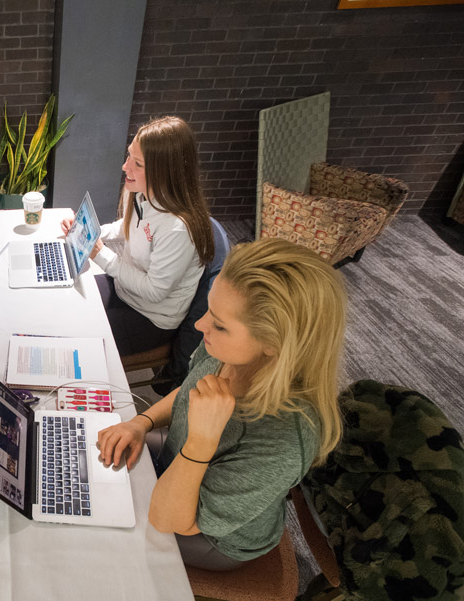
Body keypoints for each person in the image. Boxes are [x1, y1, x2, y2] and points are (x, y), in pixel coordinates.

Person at [96, 238, 347, 571]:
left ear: (273, 344)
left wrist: (202, 440)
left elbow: (169, 519)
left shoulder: (282, 443)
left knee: (99, 534)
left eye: (220, 324)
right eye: (209, 311)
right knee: (91, 457)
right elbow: (188, 391)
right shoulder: (227, 351)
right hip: (180, 460)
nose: (201, 326)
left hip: (215, 539)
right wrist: (139, 423)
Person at [63, 116, 214, 355]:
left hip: (151, 317)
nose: (125, 167)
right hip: (125, 290)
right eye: (129, 155)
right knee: (65, 303)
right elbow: (128, 225)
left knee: (76, 340)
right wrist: (90, 232)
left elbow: (155, 291)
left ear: (166, 171)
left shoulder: (178, 229)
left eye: (138, 164)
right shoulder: (140, 193)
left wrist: (100, 254)